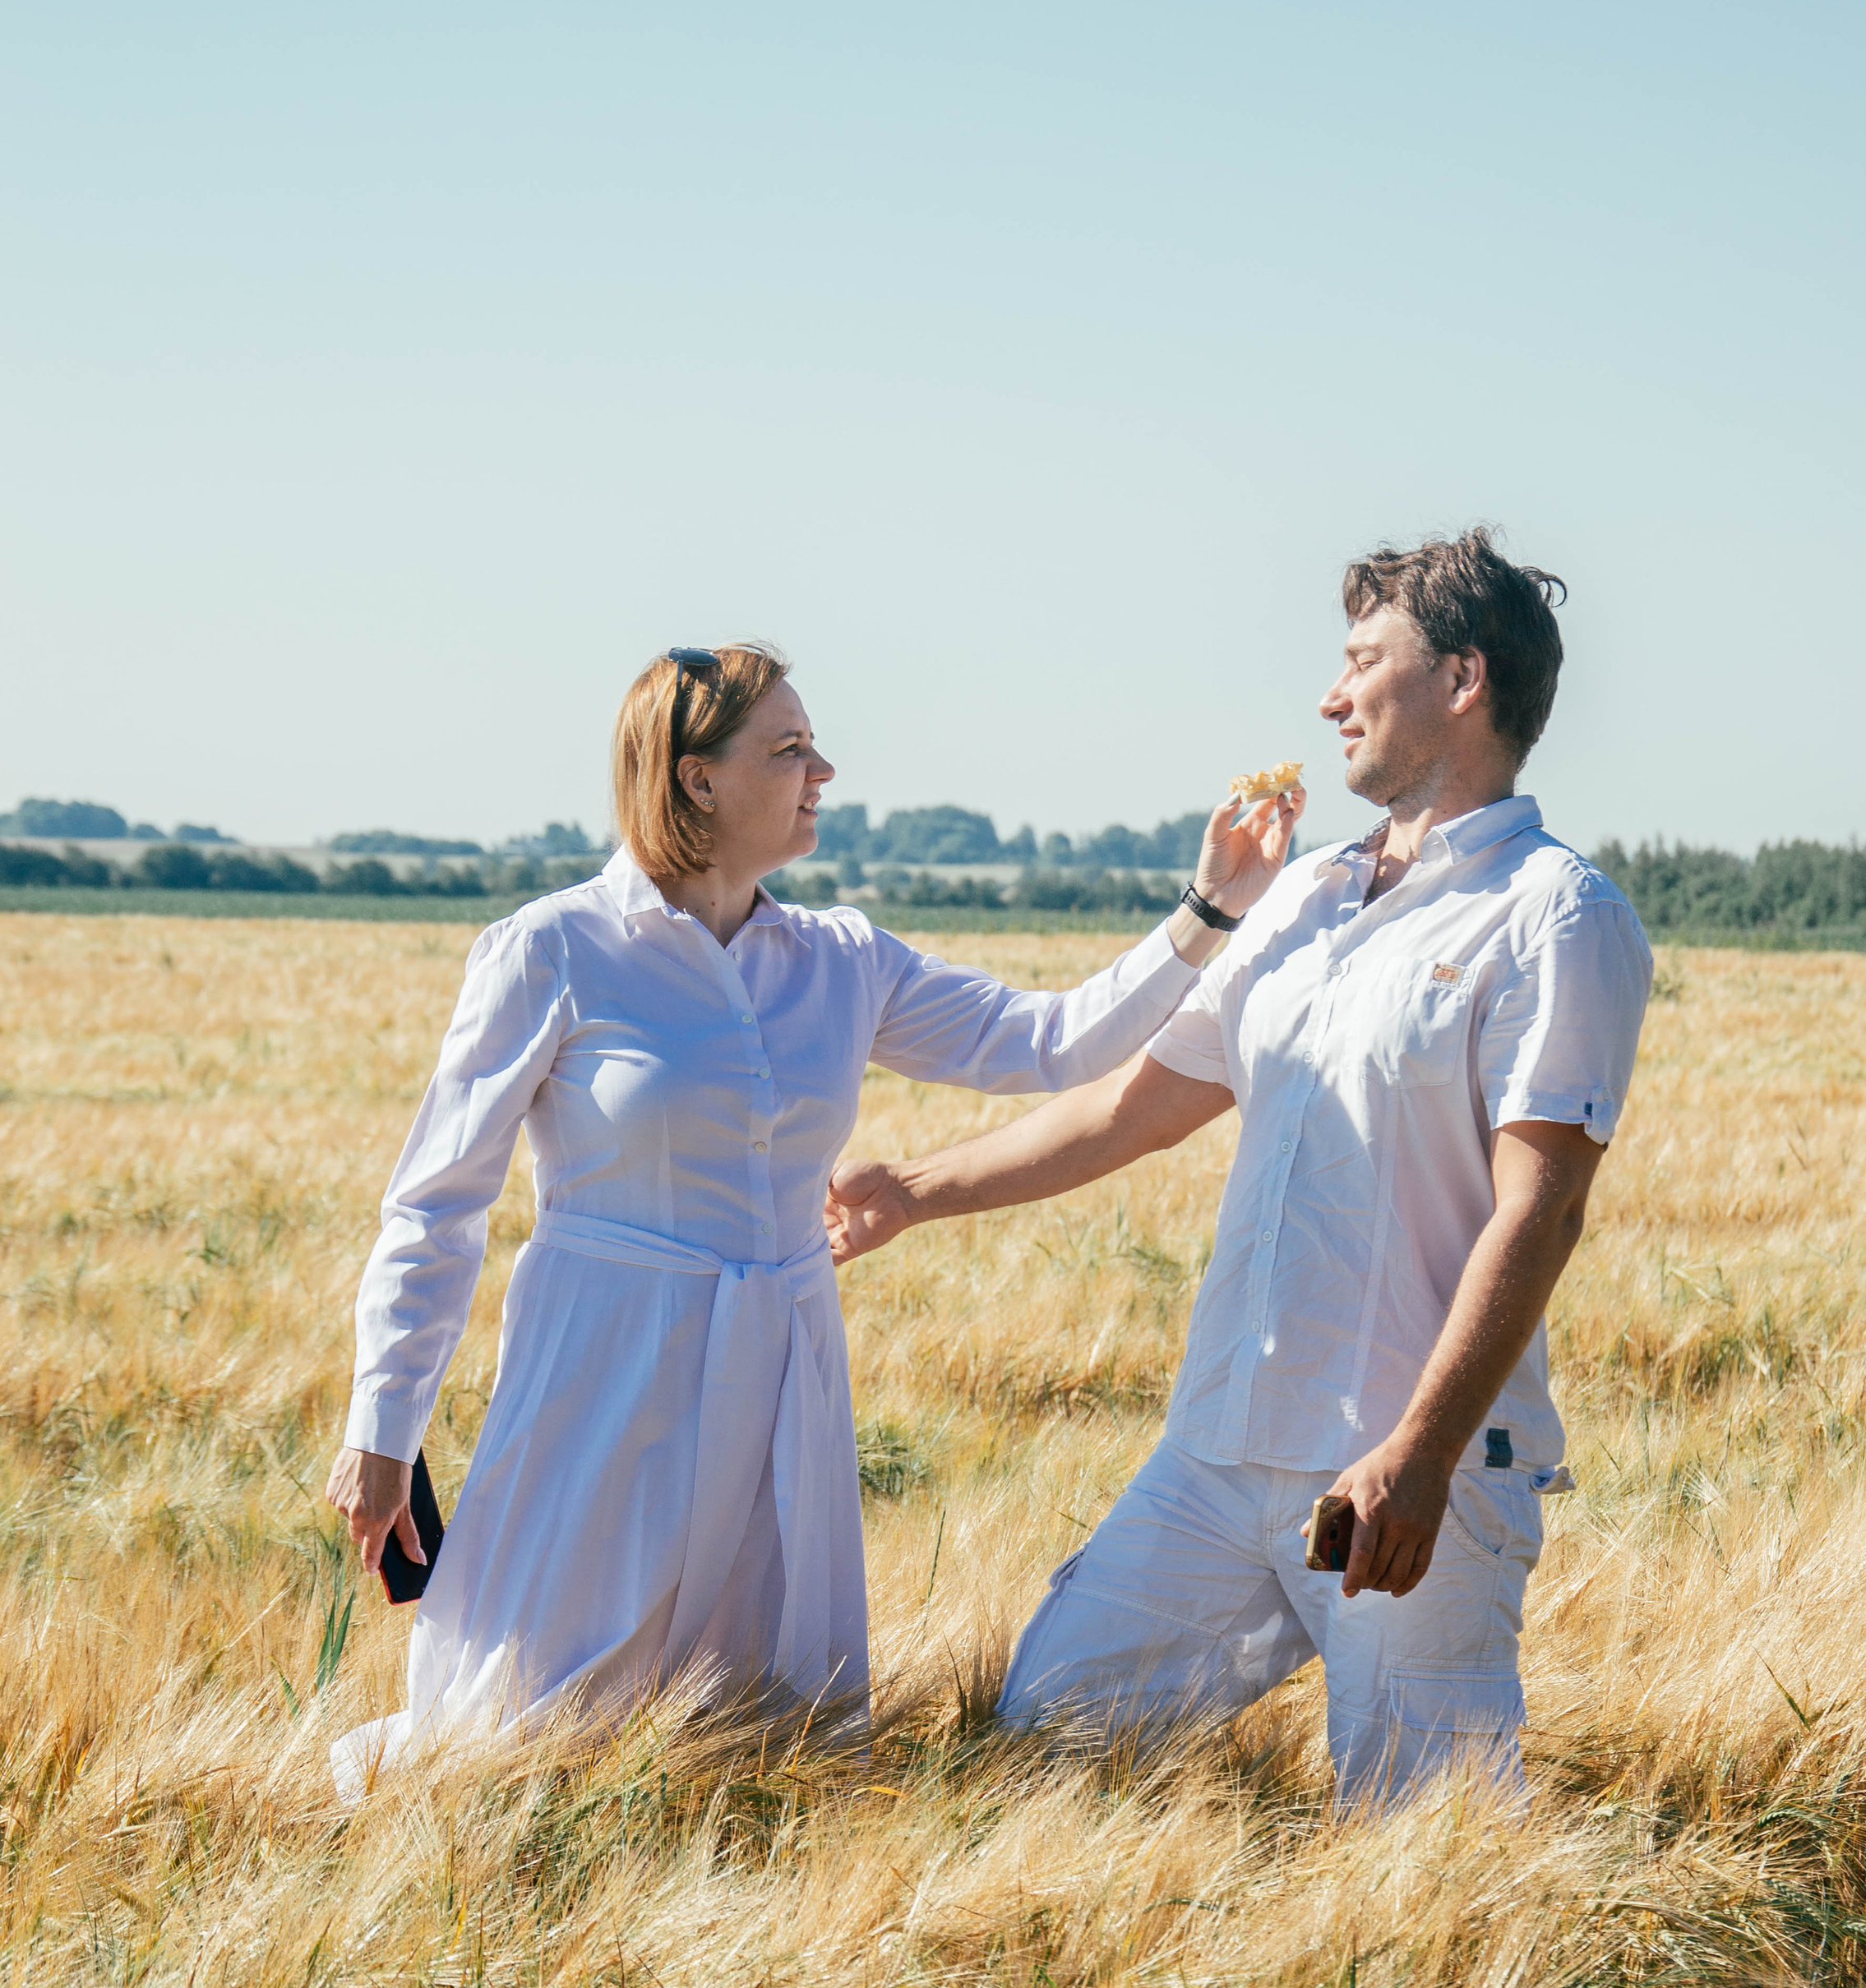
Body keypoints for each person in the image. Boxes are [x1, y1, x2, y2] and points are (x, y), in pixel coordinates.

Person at [325, 643, 1300, 1801]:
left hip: (782, 1367)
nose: (822, 768)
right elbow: (437, 1201)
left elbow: (1056, 1041)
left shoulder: (843, 958)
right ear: (696, 779)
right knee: (534, 1717)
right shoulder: (553, 950)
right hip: (607, 1371)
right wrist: (384, 1424)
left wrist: (1208, 908)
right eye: (788, 748)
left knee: (760, 1728)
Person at [826, 533, 1653, 1812]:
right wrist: (917, 1190)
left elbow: (1539, 1210)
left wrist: (1420, 1453)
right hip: (1219, 1449)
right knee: (1043, 1736)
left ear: (1464, 679)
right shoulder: (1308, 895)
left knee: (1424, 1840)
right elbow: (1132, 1107)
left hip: (1398, 1469)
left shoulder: (1557, 914)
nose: (1331, 697)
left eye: (1364, 662)